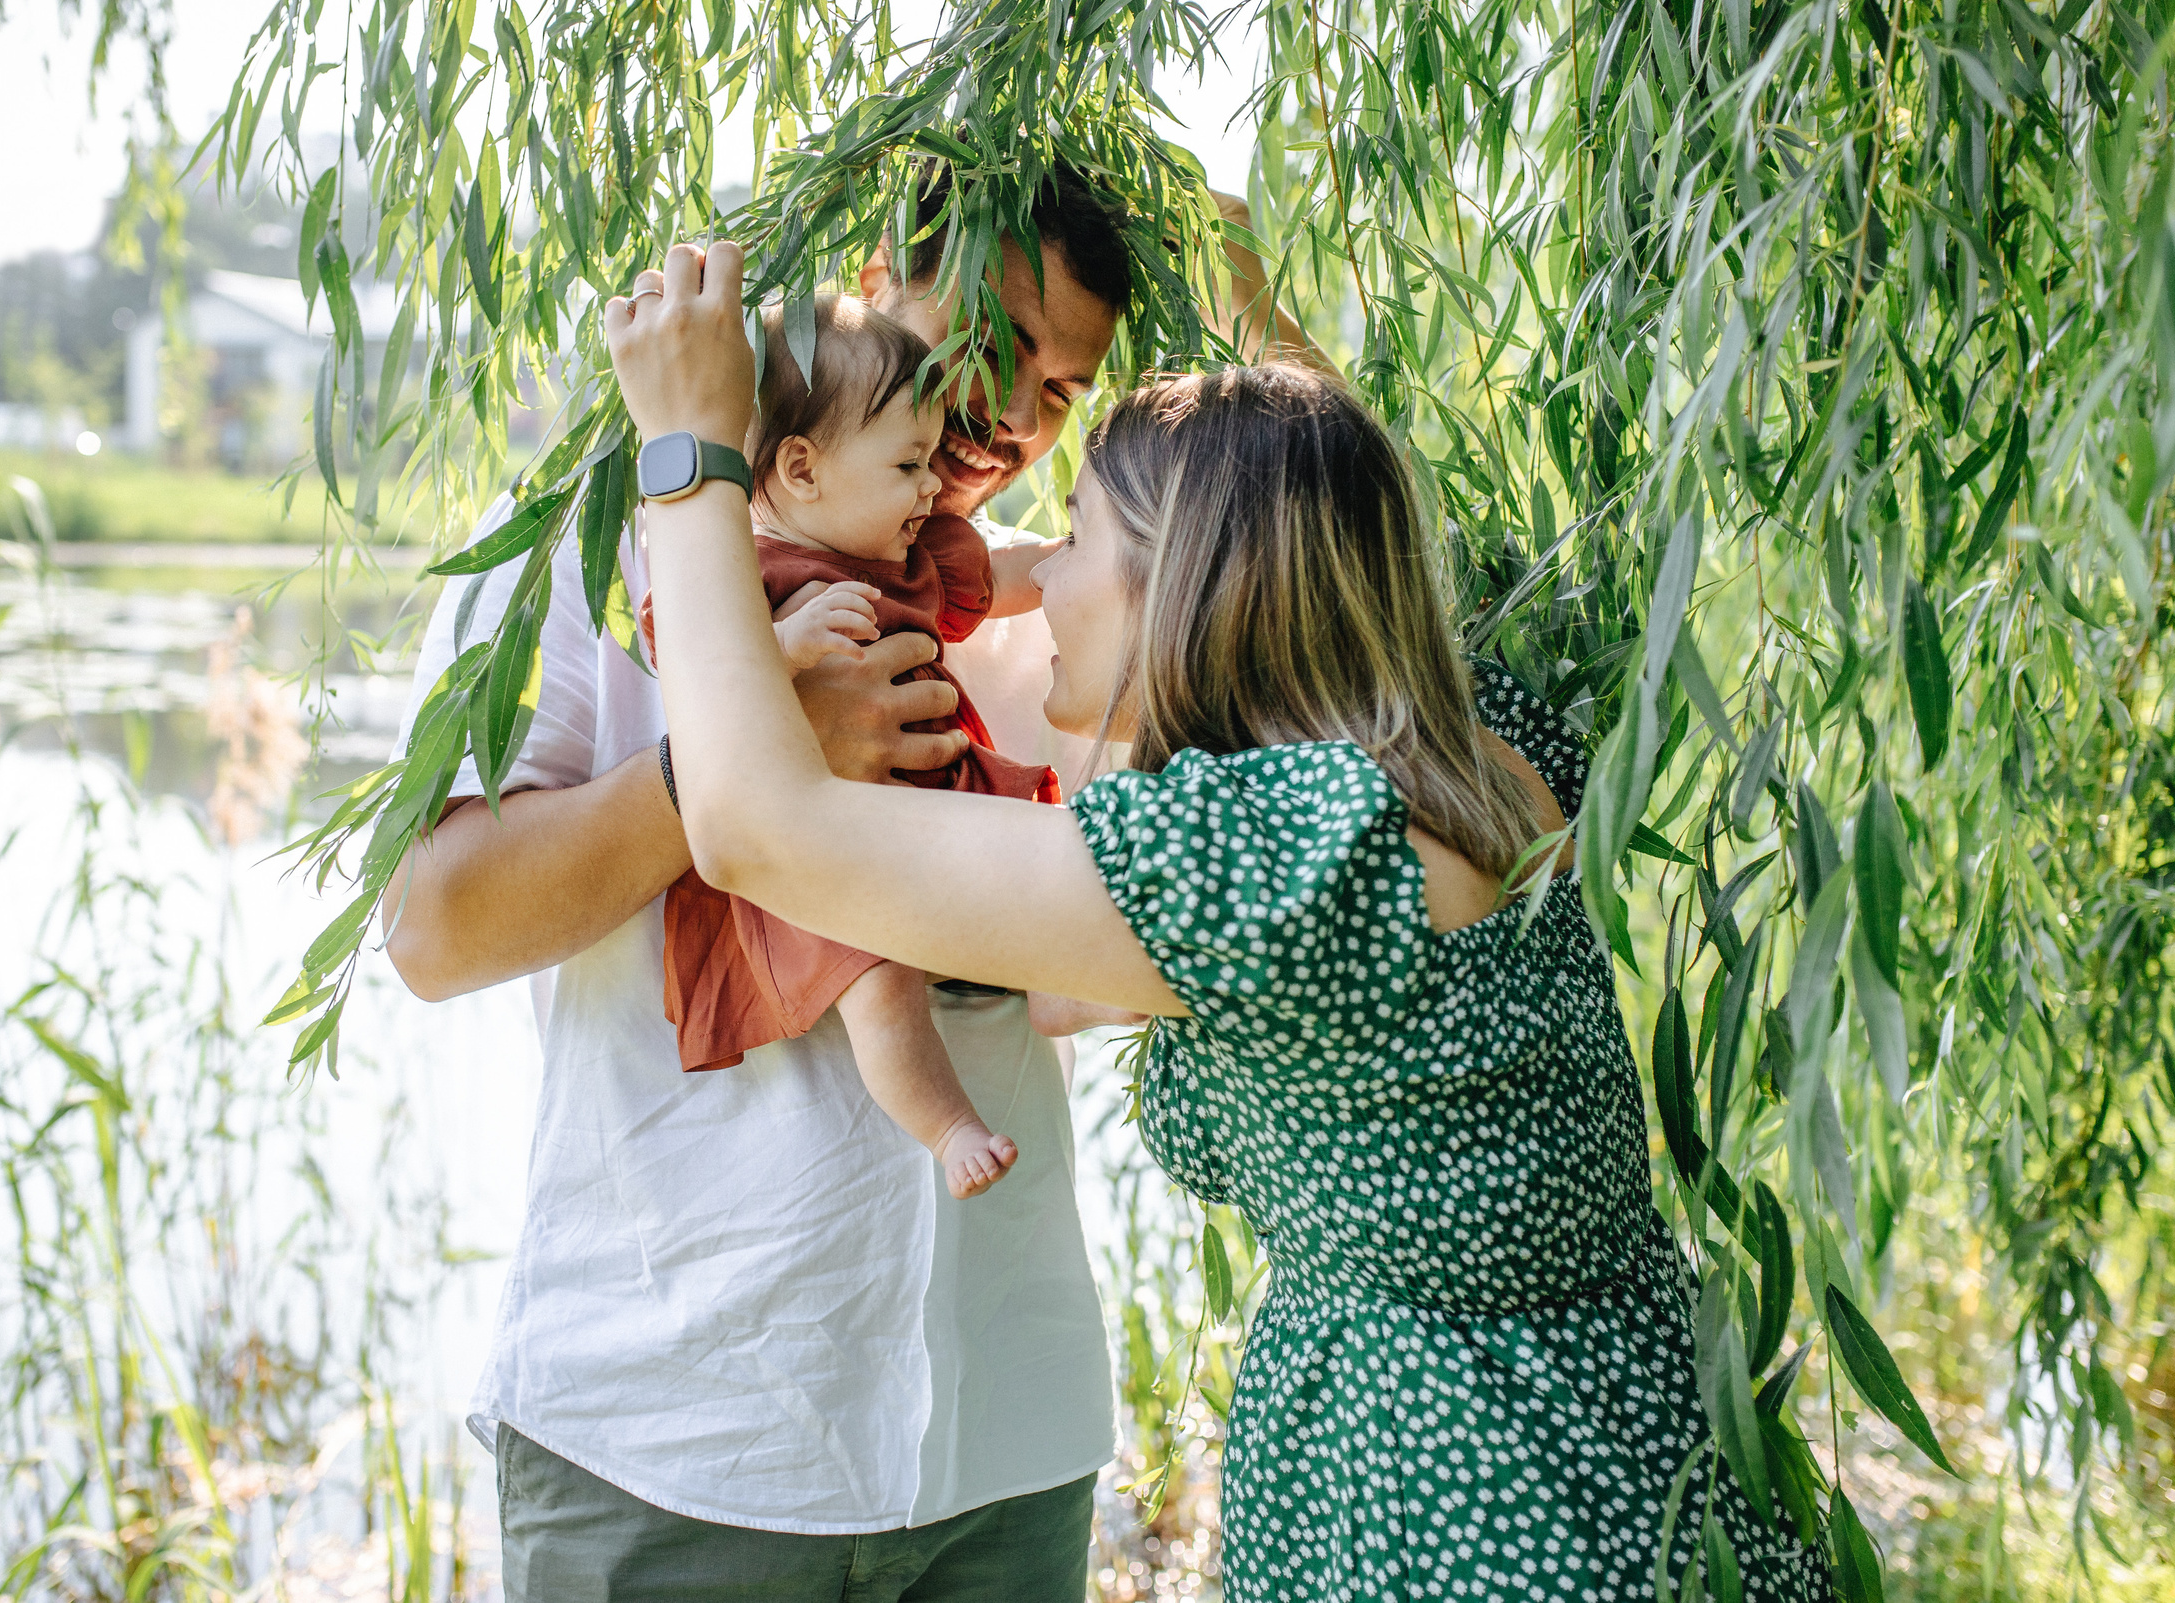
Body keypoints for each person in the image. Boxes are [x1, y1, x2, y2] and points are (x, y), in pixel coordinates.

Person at [609, 239, 1837, 1601]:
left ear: (1188, 582)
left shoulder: (1276, 860)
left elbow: (754, 828)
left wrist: (690, 455)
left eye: (1080, 540)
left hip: (1454, 1506)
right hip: (1625, 1451)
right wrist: (1256, 315)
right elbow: (1361, 529)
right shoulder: (1469, 743)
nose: (1040, 575)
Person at [382, 160, 1154, 1599]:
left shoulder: (1070, 598)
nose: (1014, 411)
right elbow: (435, 925)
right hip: (682, 1440)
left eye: (1062, 384)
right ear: (871, 269)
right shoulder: (599, 539)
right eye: (995, 333)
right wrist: (743, 759)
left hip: (1008, 1434)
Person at [649, 295, 1057, 1201]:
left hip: (924, 820)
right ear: (801, 468)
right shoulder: (743, 571)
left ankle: (1062, 983)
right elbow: (688, 658)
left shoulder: (911, 553)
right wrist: (784, 647)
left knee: (1032, 888)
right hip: (821, 850)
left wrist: (1086, 559)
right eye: (909, 463)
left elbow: (1006, 579)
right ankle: (949, 1128)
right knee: (881, 984)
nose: (931, 487)